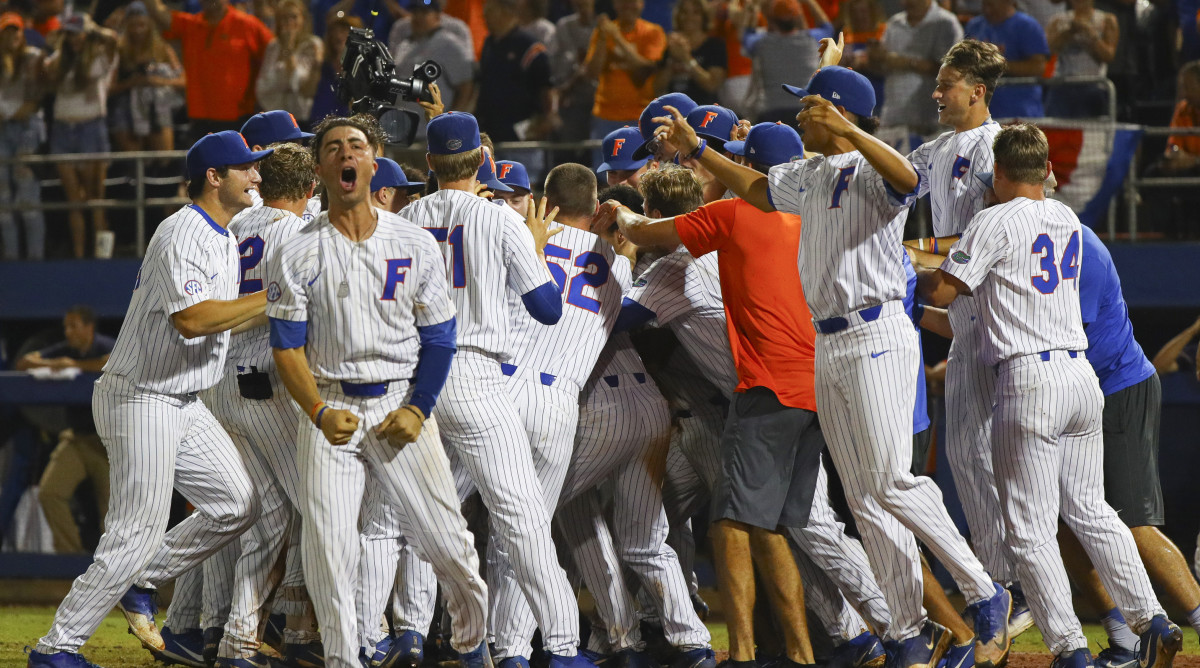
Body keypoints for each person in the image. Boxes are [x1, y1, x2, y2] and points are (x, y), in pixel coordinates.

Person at [651, 55, 1012, 668]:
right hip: (830, 342)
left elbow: (906, 182)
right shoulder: (813, 174)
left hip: (875, 333)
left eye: (807, 104)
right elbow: (759, 190)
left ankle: (983, 590)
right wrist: (698, 153)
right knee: (868, 499)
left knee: (893, 482)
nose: (797, 113)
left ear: (834, 113)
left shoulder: (866, 164)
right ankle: (904, 634)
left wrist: (849, 132)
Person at [601, 127, 884, 668]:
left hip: (762, 395)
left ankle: (881, 627)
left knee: (796, 526)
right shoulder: (788, 224)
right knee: (747, 523)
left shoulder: (703, 240)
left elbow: (627, 308)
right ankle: (827, 640)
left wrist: (621, 233)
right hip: (789, 390)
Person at [916, 122, 1184, 668]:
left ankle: (1069, 648)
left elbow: (946, 289)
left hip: (1030, 381)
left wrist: (897, 269)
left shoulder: (993, 219)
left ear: (1000, 171)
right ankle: (1151, 618)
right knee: (1092, 510)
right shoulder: (1066, 218)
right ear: (1046, 172)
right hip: (1080, 379)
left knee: (1030, 529)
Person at [26, 131, 270, 668]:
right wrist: (272, 299)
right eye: (246, 167)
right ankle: (57, 648)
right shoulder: (182, 230)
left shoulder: (225, 236)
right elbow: (191, 320)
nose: (256, 175)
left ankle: (145, 577)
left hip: (182, 399)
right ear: (214, 176)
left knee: (237, 502)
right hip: (142, 398)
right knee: (133, 532)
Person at [266, 114, 491, 668]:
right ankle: (345, 660)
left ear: (373, 160)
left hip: (398, 404)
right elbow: (286, 348)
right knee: (328, 551)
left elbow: (441, 339)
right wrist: (317, 412)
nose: (347, 154)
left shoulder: (413, 240)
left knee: (448, 543)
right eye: (334, 148)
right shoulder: (296, 251)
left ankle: (472, 647)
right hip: (330, 405)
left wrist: (419, 406)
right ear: (320, 169)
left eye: (357, 146)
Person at [398, 111, 595, 668]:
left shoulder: (406, 219)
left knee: (418, 517)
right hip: (479, 376)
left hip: (416, 377)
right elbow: (547, 309)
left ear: (431, 162)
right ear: (481, 162)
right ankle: (559, 647)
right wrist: (532, 250)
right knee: (524, 519)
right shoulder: (500, 220)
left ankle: (410, 634)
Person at [897, 37, 1033, 641]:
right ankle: (1004, 580)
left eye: (947, 83)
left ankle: (1010, 582)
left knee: (997, 455)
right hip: (966, 309)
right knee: (969, 454)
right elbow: (889, 178)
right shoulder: (940, 146)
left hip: (998, 307)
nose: (936, 92)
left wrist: (908, 252)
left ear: (977, 91)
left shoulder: (992, 148)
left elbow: (986, 233)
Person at [16, 306, 115, 554]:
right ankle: (71, 557)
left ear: (88, 327)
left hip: (107, 442)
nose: (68, 332)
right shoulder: (66, 350)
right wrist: (56, 363)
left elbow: (111, 363)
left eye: (73, 326)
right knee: (50, 494)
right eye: (66, 327)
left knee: (114, 510)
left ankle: (113, 566)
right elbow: (24, 362)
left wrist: (75, 365)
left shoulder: (104, 344)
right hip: (76, 438)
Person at [144, 0, 273, 140]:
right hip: (199, 118)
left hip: (239, 117)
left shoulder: (247, 24)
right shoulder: (192, 24)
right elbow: (159, 13)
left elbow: (275, 53)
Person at [45, 13, 118, 259]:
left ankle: (101, 259)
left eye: (77, 33)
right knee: (74, 200)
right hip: (63, 130)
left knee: (95, 198)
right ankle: (78, 256)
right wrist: (59, 38)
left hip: (91, 129)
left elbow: (112, 40)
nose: (74, 38)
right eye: (70, 33)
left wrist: (91, 28)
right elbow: (46, 70)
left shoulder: (99, 55)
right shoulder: (59, 60)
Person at [584, 0, 667, 150]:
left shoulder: (653, 31)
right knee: (605, 171)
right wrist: (603, 39)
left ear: (642, 4)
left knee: (643, 168)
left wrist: (617, 38)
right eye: (622, 1)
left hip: (642, 115)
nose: (627, 5)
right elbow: (591, 73)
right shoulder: (603, 31)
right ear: (615, 4)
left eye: (632, 1)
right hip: (605, 115)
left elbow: (646, 69)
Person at [875, 0, 963, 137]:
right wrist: (875, 59)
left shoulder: (946, 22)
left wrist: (909, 63)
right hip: (894, 117)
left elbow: (954, 70)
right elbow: (883, 67)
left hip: (931, 123)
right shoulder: (894, 23)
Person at [388, 0, 474, 139]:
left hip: (432, 131)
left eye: (425, 12)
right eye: (415, 12)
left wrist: (450, 122)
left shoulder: (448, 43)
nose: (418, 17)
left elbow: (466, 87)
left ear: (437, 16)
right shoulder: (405, 44)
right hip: (402, 129)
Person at [109, 2, 184, 157]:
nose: (137, 30)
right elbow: (109, 88)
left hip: (157, 107)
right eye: (133, 25)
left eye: (142, 25)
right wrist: (132, 83)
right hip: (125, 109)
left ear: (150, 25)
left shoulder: (162, 49)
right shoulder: (119, 50)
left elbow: (183, 81)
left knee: (164, 157)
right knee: (135, 161)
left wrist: (158, 81)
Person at [0, 12, 45, 261]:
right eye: (6, 31)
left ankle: (35, 259)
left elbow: (35, 99)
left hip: (26, 130)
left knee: (27, 196)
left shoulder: (33, 58)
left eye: (15, 30)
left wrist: (13, 114)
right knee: (3, 200)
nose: (12, 36)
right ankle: (11, 258)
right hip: (2, 133)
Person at [743, 0, 830, 123]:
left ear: (772, 19)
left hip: (773, 112)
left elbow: (746, 37)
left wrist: (754, 10)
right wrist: (811, 3)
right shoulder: (812, 39)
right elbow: (827, 27)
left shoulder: (762, 43)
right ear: (798, 17)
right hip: (807, 110)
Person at [964, 0, 1049, 118]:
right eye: (984, 5)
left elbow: (1039, 67)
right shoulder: (974, 26)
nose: (987, 10)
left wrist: (997, 66)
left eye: (992, 5)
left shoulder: (1027, 26)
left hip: (1020, 113)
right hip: (981, 113)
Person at [254, 0, 323, 127]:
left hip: (302, 118)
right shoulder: (273, 46)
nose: (289, 22)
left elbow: (299, 86)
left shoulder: (313, 45)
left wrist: (288, 51)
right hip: (274, 117)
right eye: (284, 17)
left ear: (303, 19)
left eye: (294, 17)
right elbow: (262, 87)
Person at [1044, 0, 1117, 118]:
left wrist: (1090, 33)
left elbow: (1108, 56)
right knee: (1056, 132)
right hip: (1062, 86)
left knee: (1092, 133)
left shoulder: (1106, 20)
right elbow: (1048, 51)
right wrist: (1069, 33)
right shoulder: (1058, 20)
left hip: (1093, 86)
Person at [654, 0, 726, 104]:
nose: (689, 17)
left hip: (705, 111)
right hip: (675, 110)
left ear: (704, 17)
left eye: (696, 12)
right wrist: (671, 61)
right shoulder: (670, 45)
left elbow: (712, 85)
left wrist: (686, 59)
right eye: (684, 12)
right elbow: (657, 88)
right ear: (678, 15)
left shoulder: (715, 45)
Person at [307, 13, 357, 125]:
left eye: (344, 31)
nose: (338, 36)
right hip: (320, 124)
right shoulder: (323, 66)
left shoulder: (360, 68)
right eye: (334, 31)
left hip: (348, 124)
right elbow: (308, 92)